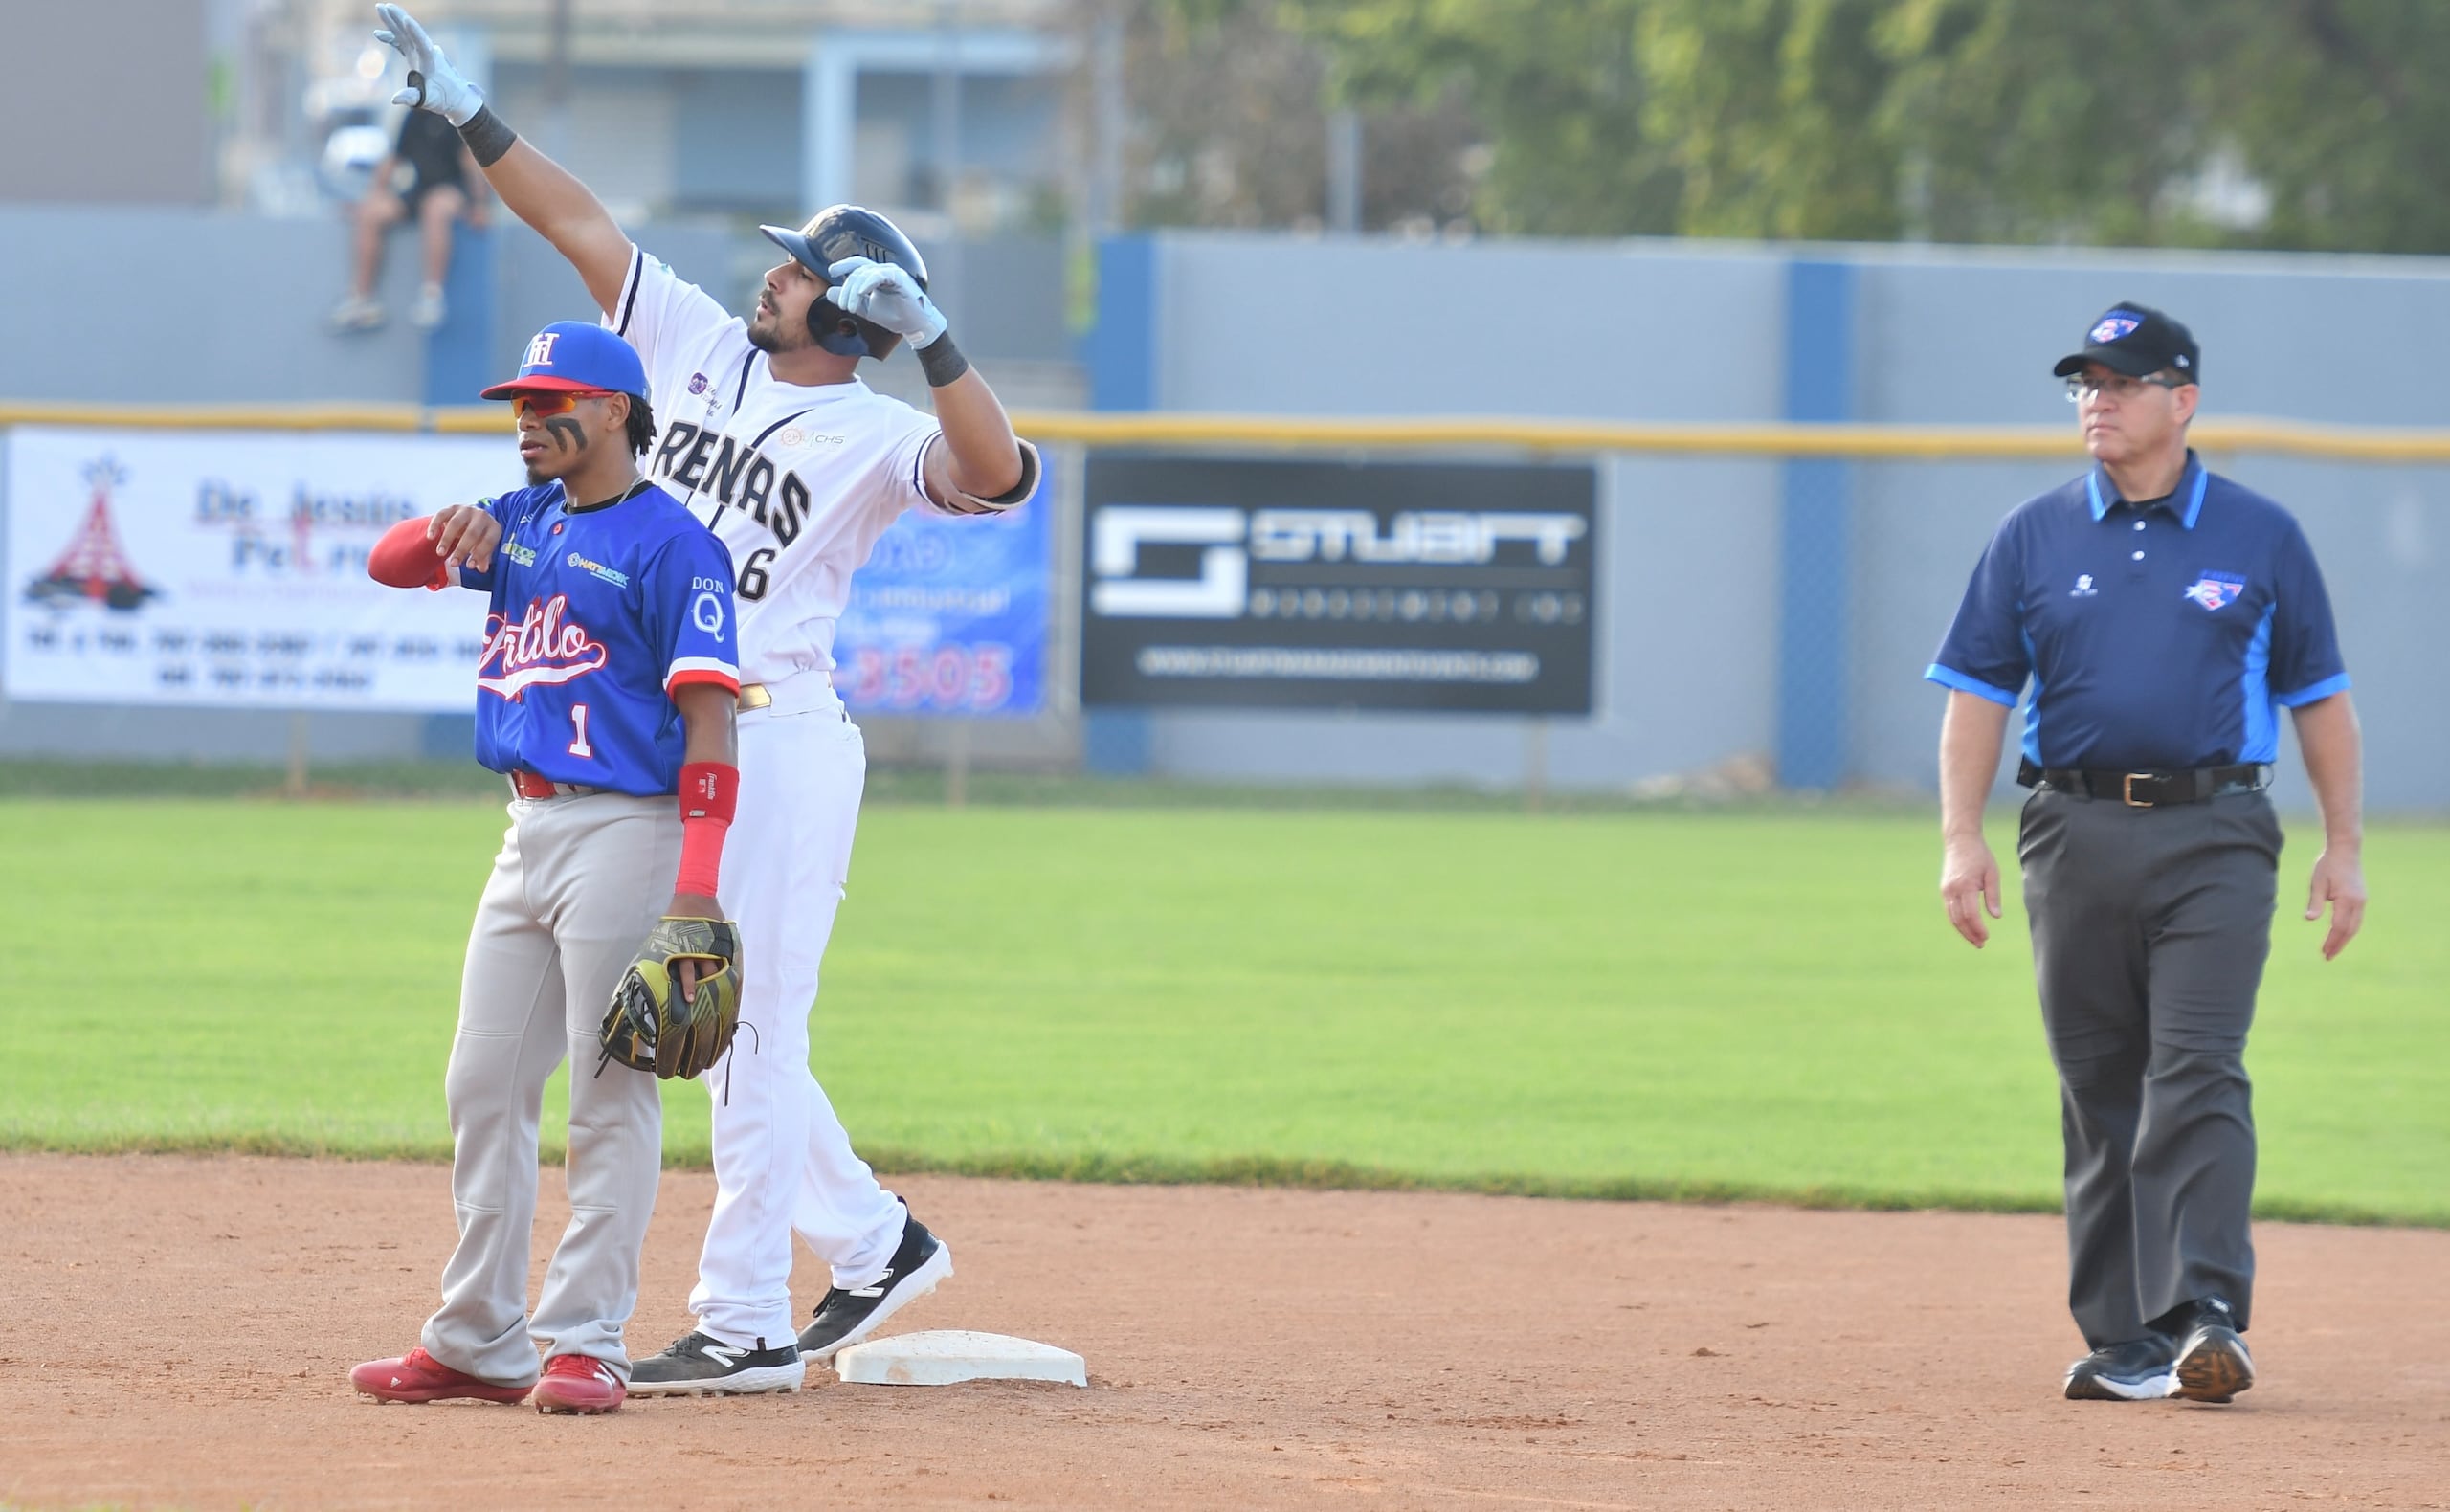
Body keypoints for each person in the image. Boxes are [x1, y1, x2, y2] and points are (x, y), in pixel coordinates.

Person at [372, 5, 1042, 1397]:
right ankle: (874, 1239)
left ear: (848, 303)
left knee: (734, 1022)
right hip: (655, 728)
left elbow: (1000, 473)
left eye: (800, 268)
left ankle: (739, 1321)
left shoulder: (873, 433)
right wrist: (469, 115)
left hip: (780, 727)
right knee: (686, 1011)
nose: (775, 276)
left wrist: (939, 345)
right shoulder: (687, 344)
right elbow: (581, 226)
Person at [1927, 302, 2367, 1405]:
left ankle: (2205, 1310)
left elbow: (2320, 700)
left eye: (2121, 381)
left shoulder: (2260, 535)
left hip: (2214, 831)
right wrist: (1956, 838)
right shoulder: (2032, 533)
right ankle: (2124, 1335)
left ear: (2183, 398)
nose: (2097, 400)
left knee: (2197, 1067)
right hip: (2068, 830)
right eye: (2084, 383)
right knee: (2097, 1082)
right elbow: (1977, 696)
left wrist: (2343, 846)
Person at [349, 320, 746, 1414]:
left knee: (607, 1093)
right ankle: (477, 1333)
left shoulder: (674, 545)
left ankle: (587, 1339)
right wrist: (446, 533)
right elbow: (386, 566)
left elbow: (712, 725)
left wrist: (697, 885)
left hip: (630, 828)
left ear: (615, 408)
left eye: (549, 401)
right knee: (482, 1082)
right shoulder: (517, 520)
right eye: (519, 404)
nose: (527, 420)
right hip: (523, 828)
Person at [330, 103, 488, 332]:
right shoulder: (412, 118)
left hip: (452, 190)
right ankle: (362, 299)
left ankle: (432, 296)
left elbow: (470, 162)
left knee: (435, 209)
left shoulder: (455, 116)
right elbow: (393, 160)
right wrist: (372, 198)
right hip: (420, 189)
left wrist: (480, 205)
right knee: (371, 214)